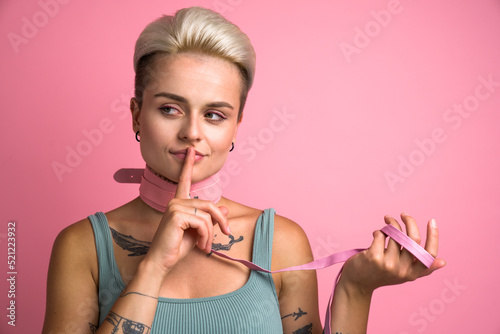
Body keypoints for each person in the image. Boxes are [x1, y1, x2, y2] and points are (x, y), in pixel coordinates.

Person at [42, 7, 445, 334]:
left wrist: (356, 289)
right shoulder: (82, 247)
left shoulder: (281, 241)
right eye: (170, 109)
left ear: (236, 126)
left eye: (215, 115)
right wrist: (152, 267)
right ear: (136, 116)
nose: (192, 133)